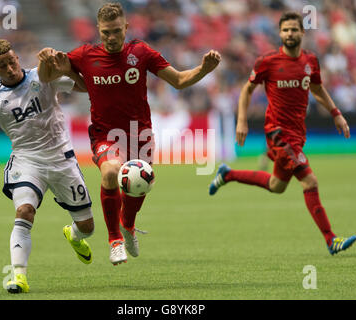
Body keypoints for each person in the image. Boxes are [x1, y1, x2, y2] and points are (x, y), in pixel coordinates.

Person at [38, 2, 221, 265]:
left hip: (140, 134)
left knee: (139, 184)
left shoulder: (141, 52)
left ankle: (128, 225)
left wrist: (203, 70)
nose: (111, 38)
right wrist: (48, 61)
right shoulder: (85, 55)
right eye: (105, 33)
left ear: (126, 27)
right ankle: (115, 240)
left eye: (115, 31)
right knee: (111, 172)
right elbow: (52, 76)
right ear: (98, 31)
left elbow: (179, 80)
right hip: (105, 134)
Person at [209, 12, 356, 255]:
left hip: (297, 133)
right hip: (278, 133)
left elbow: (317, 89)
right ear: (280, 33)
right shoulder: (267, 61)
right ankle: (331, 240)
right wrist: (242, 121)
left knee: (277, 185)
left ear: (302, 32)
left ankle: (228, 174)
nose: (289, 34)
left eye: (294, 30)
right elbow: (247, 90)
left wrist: (336, 113)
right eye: (285, 30)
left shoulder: (310, 61)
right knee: (310, 181)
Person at [0, 39, 95, 294]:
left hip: (62, 159)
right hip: (27, 161)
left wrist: (65, 68)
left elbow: (85, 87)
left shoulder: (42, 76)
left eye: (12, 61)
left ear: (18, 58)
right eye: (2, 65)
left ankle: (73, 235)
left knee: (87, 228)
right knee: (25, 211)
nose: (9, 68)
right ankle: (19, 277)